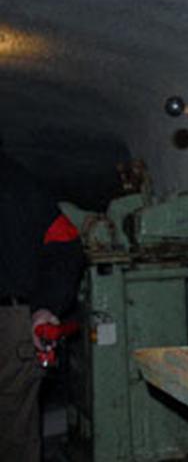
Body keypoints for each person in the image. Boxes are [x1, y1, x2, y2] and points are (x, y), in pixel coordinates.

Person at [0, 153, 84, 462]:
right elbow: (66, 243)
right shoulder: (19, 183)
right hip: (12, 323)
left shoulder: (16, 185)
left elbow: (64, 243)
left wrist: (45, 307)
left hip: (9, 327)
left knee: (12, 432)